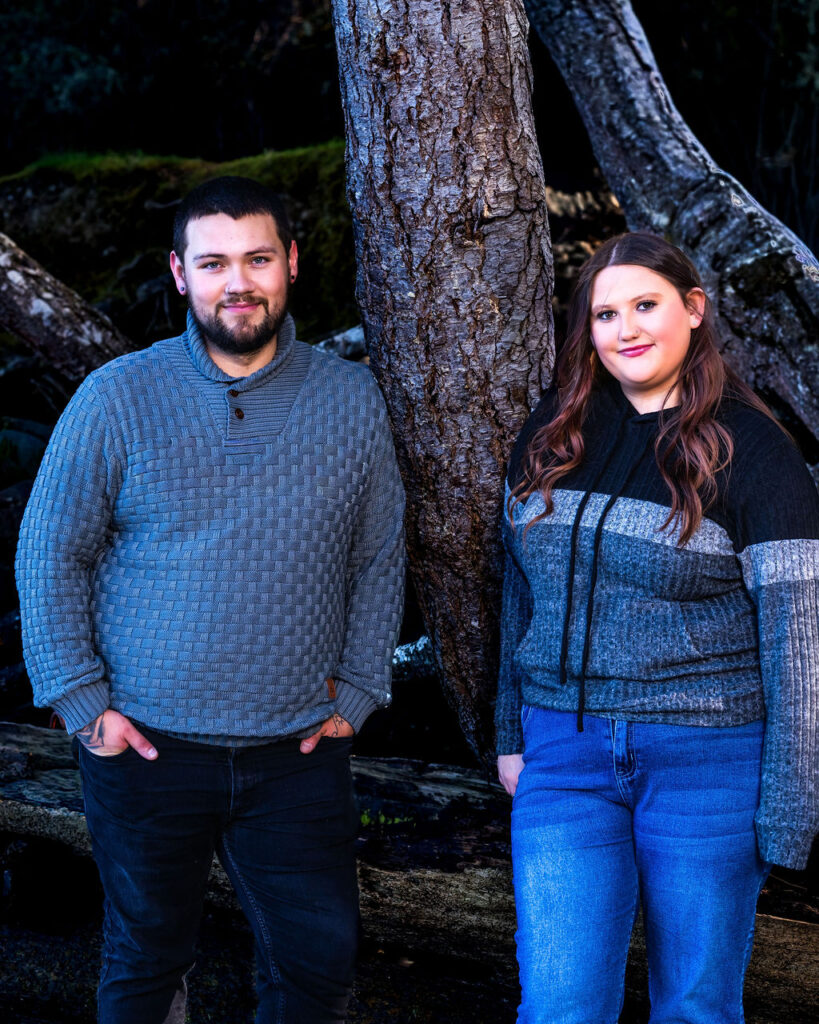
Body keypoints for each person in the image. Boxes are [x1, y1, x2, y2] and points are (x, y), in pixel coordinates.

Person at [15, 175, 406, 1024]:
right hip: (145, 750)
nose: (240, 281)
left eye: (258, 258)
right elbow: (49, 554)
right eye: (215, 262)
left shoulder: (353, 400)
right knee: (146, 965)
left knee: (316, 974)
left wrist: (364, 685)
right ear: (179, 274)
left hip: (295, 755)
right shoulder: (118, 396)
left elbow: (378, 557)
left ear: (291, 264)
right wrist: (84, 705)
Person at [495, 231, 818, 1024]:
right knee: (558, 1005)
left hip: (708, 763)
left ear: (694, 311)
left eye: (645, 305)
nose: (626, 329)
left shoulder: (754, 452)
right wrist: (510, 733)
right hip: (563, 757)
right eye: (605, 314)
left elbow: (799, 644)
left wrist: (790, 807)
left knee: (695, 1008)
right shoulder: (553, 435)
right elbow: (516, 592)